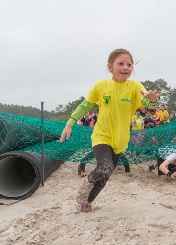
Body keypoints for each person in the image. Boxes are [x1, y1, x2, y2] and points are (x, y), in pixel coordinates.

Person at [59, 48, 161, 213]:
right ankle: (86, 183)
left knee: (106, 176)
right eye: (120, 63)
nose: (125, 67)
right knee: (104, 167)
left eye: (129, 64)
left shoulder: (135, 87)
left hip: (120, 140)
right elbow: (85, 105)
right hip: (102, 136)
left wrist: (153, 101)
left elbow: (148, 103)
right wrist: (69, 123)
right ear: (110, 67)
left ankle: (86, 203)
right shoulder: (101, 86)